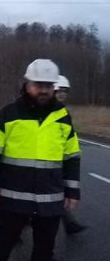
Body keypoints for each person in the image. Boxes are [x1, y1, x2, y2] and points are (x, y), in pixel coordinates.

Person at [0, 59, 81, 261]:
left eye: (48, 85)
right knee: (6, 238)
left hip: (50, 198)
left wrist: (72, 191)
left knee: (44, 250)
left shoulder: (62, 116)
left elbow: (71, 156)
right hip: (14, 196)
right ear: (27, 84)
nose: (44, 90)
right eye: (39, 85)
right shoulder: (8, 114)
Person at [54, 75, 86, 236]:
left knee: (54, 197)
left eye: (65, 91)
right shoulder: (41, 110)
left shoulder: (63, 114)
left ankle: (69, 223)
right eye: (59, 90)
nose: (62, 94)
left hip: (55, 164)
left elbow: (69, 142)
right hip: (34, 164)